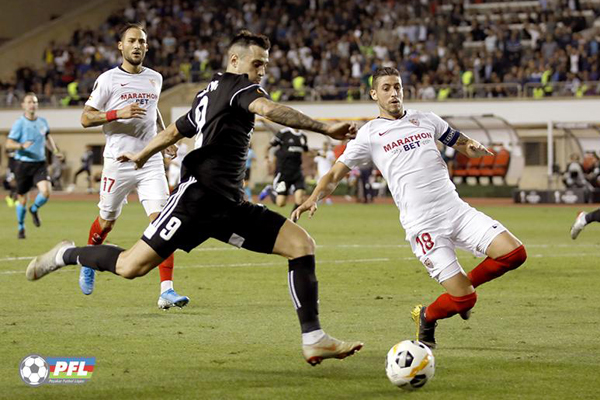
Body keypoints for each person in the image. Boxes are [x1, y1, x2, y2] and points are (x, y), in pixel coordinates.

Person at [26, 30, 363, 366]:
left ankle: (313, 339)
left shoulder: (211, 92)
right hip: (196, 200)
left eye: (265, 64)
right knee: (130, 267)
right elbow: (269, 109)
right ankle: (65, 254)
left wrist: (143, 155)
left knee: (301, 244)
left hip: (230, 205)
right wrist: (325, 128)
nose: (262, 71)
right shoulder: (239, 87)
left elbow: (176, 130)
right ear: (235, 60)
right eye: (257, 63)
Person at [292, 67, 527, 349]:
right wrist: (314, 197)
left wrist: (473, 147)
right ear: (374, 94)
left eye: (398, 87)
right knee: (465, 300)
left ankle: (462, 286)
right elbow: (334, 174)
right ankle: (427, 316)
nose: (394, 93)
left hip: (456, 210)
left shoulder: (426, 119)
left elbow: (461, 143)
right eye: (387, 88)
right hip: (423, 226)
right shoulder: (369, 134)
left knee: (514, 253)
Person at [77, 23, 189, 310]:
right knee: (106, 222)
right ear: (121, 46)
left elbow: (153, 112)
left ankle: (167, 290)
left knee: (163, 223)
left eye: (141, 41)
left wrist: (165, 138)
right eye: (131, 41)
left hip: (150, 161)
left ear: (147, 47)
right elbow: (86, 118)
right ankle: (88, 261)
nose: (137, 45)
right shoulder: (108, 80)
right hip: (118, 162)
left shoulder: (155, 78)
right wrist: (118, 112)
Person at [5, 92, 63, 239]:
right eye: (29, 102)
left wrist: (55, 151)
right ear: (23, 105)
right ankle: (21, 227)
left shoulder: (42, 121)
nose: (32, 104)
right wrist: (21, 146)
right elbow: (8, 143)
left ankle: (34, 209)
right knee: (22, 198)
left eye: (35, 102)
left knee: (46, 192)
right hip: (23, 164)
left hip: (40, 164)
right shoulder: (19, 123)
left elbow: (48, 138)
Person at [265, 122, 310, 210]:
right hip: (283, 172)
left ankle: (293, 218)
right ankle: (269, 190)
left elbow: (307, 151)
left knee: (300, 199)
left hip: (297, 172)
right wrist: (266, 158)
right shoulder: (283, 133)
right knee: (281, 203)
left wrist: (319, 154)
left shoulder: (303, 136)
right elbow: (268, 146)